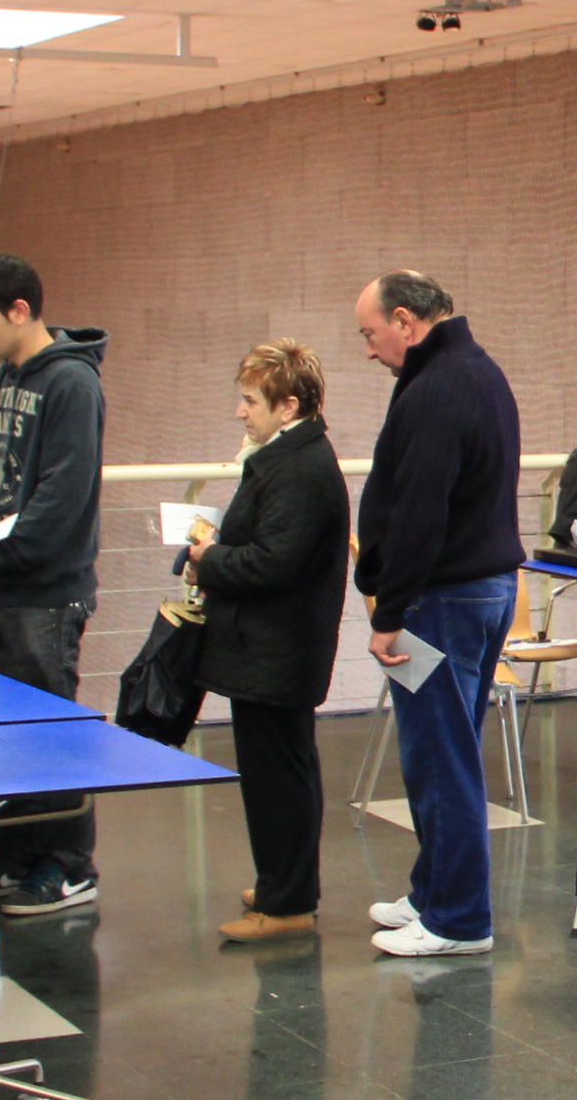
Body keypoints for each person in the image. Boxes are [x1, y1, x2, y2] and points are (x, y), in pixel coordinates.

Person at [352, 270, 525, 961]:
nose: (369, 350)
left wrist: (388, 611)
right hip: (479, 591)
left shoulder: (438, 387)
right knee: (445, 748)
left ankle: (457, 918)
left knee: (438, 755)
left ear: (405, 320)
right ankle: (434, 891)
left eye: (370, 334)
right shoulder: (478, 372)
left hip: (442, 600)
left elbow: (421, 510)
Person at [0, 253, 109, 918]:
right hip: (1, 586)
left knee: (52, 731)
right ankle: (15, 851)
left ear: (19, 311)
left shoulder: (71, 385)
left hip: (48, 592)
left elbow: (62, 499)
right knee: (1, 732)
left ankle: (68, 864)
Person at [190, 343, 350, 943]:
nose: (241, 412)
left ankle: (286, 903)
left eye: (250, 401)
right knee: (281, 772)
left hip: (278, 649)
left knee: (278, 778)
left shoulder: (300, 469)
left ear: (288, 406)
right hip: (273, 647)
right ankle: (286, 884)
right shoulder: (291, 459)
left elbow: (271, 563)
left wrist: (210, 559)